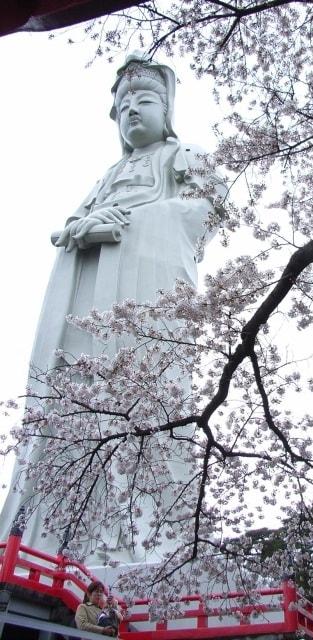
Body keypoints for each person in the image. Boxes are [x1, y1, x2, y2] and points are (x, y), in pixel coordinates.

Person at [0, 52, 227, 565]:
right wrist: (84, 229)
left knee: (143, 392)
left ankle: (141, 536)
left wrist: (128, 224)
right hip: (88, 293)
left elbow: (204, 213)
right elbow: (76, 223)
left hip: (140, 295)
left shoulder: (182, 155)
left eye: (145, 100)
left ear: (167, 109)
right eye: (123, 105)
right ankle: (45, 534)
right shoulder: (108, 174)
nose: (132, 112)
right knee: (72, 393)